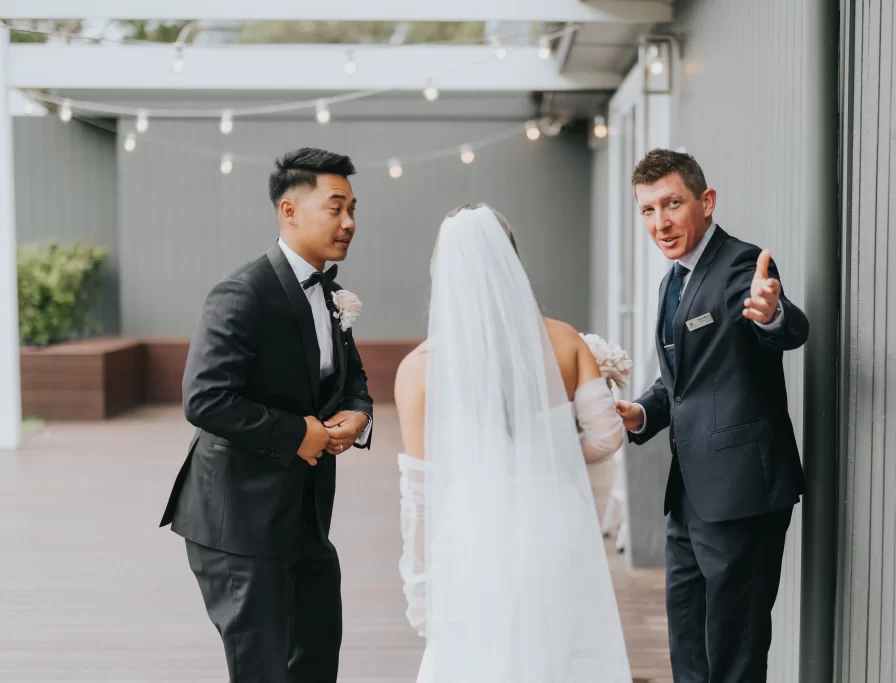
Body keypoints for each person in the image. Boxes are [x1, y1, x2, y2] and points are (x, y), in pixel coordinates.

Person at [159, 147, 373, 683]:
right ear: (289, 210)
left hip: (301, 514)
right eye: (336, 207)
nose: (348, 222)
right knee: (262, 670)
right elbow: (205, 399)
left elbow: (351, 377)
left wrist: (358, 412)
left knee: (318, 652)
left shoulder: (333, 293)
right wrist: (296, 432)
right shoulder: (242, 293)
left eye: (353, 209)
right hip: (238, 519)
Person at [393, 204, 632, 682]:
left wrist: (419, 588)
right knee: (556, 654)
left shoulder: (418, 368)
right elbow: (608, 436)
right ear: (512, 262)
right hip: (554, 520)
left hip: (473, 529)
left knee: (476, 659)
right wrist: (552, 455)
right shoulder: (564, 341)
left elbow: (419, 491)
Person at [615, 149, 809, 683]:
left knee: (734, 654)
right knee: (689, 650)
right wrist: (642, 413)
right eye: (648, 210)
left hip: (742, 495)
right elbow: (685, 382)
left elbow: (785, 325)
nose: (661, 222)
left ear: (706, 201)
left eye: (672, 204)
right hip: (690, 499)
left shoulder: (740, 266)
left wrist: (771, 314)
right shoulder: (672, 280)